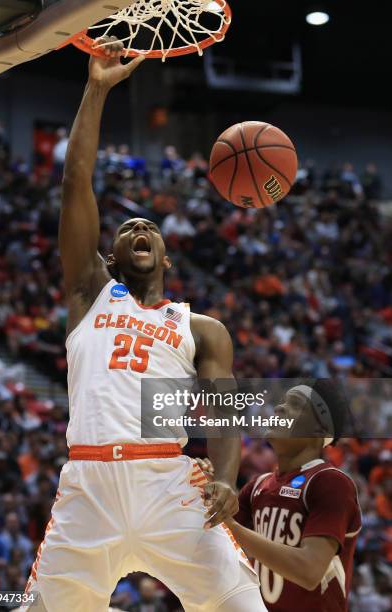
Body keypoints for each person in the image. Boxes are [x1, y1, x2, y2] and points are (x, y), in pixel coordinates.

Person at [21, 38, 266, 612]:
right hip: (88, 489)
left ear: (165, 255)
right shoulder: (90, 295)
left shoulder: (203, 328)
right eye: (127, 229)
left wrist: (227, 477)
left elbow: (225, 411)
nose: (138, 232)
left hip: (167, 483)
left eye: (149, 229)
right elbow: (75, 184)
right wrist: (96, 88)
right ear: (109, 257)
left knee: (242, 605)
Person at [200, 380, 361, 611]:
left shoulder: (330, 482)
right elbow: (218, 543)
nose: (278, 408)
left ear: (319, 430)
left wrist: (231, 526)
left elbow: (309, 571)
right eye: (282, 402)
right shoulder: (258, 486)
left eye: (294, 404)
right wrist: (203, 487)